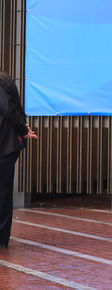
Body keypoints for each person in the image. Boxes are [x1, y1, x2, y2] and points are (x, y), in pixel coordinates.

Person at [0, 70, 37, 248]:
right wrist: (22, 127)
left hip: (4, 144)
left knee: (2, 192)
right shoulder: (5, 77)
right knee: (4, 191)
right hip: (7, 144)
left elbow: (8, 108)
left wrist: (23, 128)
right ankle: (2, 238)